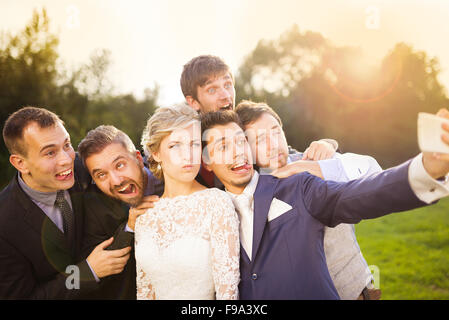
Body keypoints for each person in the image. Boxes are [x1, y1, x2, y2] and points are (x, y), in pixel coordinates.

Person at [200, 109, 449, 299]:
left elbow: (361, 193)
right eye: (223, 146)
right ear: (206, 161)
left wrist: (425, 170)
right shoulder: (209, 208)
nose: (237, 153)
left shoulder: (298, 185)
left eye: (240, 141)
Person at [235, 100, 382, 299]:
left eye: (276, 132)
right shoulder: (246, 193)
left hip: (354, 290)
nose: (273, 144)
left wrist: (313, 164)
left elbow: (374, 173)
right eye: (260, 140)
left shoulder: (315, 161)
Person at [0, 106, 131, 299]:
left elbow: (134, 166)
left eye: (67, 144)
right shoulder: (4, 224)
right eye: (50, 153)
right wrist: (87, 272)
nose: (66, 160)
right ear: (20, 163)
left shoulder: (86, 166)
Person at [180, 54, 339, 188]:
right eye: (212, 89)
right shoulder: (185, 142)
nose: (225, 95)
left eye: (228, 84)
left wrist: (327, 144)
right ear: (193, 102)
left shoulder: (243, 126)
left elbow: (283, 153)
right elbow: (159, 172)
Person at [133, 103, 240, 299]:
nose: (188, 155)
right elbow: (145, 293)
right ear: (156, 153)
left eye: (194, 144)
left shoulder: (216, 203)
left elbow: (228, 294)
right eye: (175, 145)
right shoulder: (144, 217)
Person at [77, 125, 163, 299]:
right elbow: (99, 279)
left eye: (120, 165)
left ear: (138, 159)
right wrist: (129, 228)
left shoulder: (172, 179)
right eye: (101, 175)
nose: (116, 181)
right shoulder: (95, 210)